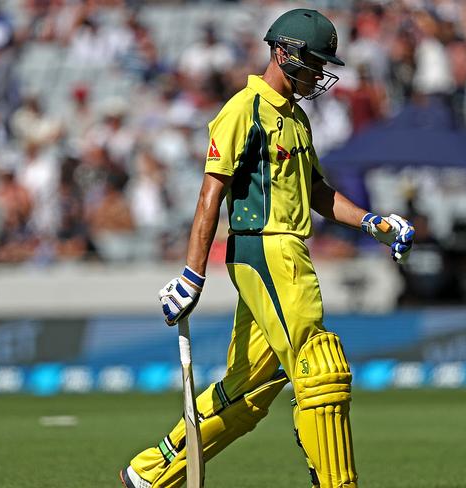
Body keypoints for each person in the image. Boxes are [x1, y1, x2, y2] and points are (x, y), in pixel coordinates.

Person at [120, 9, 415, 488]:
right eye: (313, 63)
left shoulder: (297, 119)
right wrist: (193, 274)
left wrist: (370, 222)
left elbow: (317, 191)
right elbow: (209, 196)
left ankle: (151, 475)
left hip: (290, 249)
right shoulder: (243, 110)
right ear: (283, 54)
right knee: (320, 365)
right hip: (265, 248)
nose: (320, 74)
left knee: (250, 389)